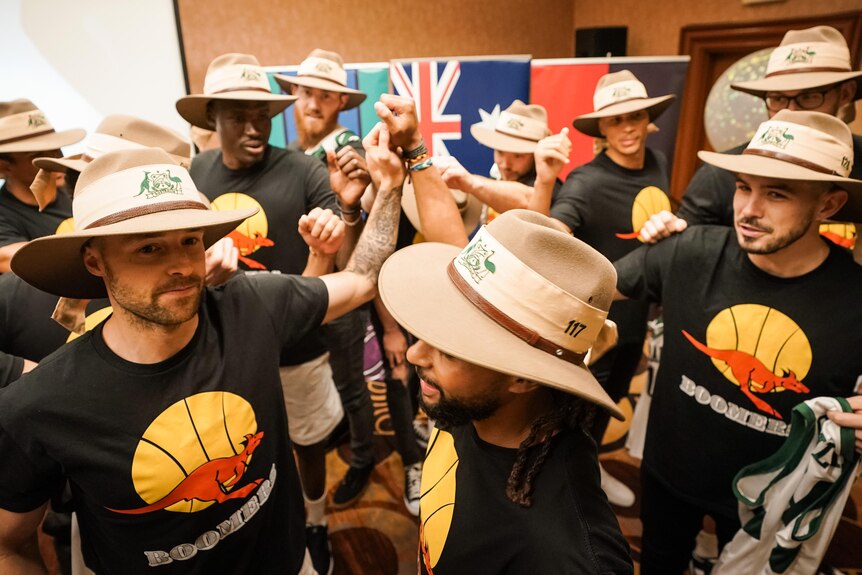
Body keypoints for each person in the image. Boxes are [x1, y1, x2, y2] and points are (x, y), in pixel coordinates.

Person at [0, 134, 405, 573]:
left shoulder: (251, 304)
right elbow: (9, 546)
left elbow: (363, 278)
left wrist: (390, 185)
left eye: (190, 241)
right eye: (149, 247)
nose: (182, 265)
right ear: (96, 261)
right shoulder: (40, 403)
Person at [613, 110, 862, 574]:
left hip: (770, 499)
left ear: (827, 206)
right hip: (670, 473)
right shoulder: (690, 249)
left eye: (777, 194)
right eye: (744, 187)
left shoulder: (855, 297)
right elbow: (595, 284)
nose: (748, 210)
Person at [376, 204, 633, 574]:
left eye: (449, 350)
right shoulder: (468, 404)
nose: (416, 354)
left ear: (523, 377)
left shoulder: (565, 553)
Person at [177, 52, 359, 574]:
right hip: (219, 350)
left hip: (298, 350)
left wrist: (333, 232)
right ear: (212, 117)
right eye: (239, 116)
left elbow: (337, 271)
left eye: (264, 115)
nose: (256, 128)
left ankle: (317, 520)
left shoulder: (304, 170)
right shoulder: (194, 174)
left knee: (309, 442)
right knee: (237, 451)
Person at [531, 69, 676, 507]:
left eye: (635, 116)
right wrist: (543, 180)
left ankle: (585, 472)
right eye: (616, 120)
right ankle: (563, 492)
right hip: (595, 327)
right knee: (577, 414)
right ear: (603, 128)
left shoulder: (658, 162)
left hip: (639, 318)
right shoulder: (586, 182)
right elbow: (546, 238)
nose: (628, 127)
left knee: (609, 405)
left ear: (648, 118)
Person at [275, 49, 380, 513]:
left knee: (352, 384)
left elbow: (371, 210)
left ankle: (363, 459)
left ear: (341, 103)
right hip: (301, 287)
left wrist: (366, 195)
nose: (314, 103)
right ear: (294, 96)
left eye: (325, 96)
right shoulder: (292, 156)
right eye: (306, 92)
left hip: (337, 294)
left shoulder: (346, 149)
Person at [678, 26, 862, 230]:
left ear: (845, 94)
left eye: (809, 97)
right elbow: (688, 248)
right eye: (778, 98)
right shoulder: (720, 175)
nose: (790, 111)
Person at [436, 100, 568, 218]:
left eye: (518, 155)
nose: (505, 164)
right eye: (500, 152)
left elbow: (526, 200)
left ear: (535, 156)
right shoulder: (496, 176)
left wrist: (470, 182)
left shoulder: (550, 188)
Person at [0, 99, 84, 271]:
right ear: (4, 166)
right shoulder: (3, 214)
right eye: (38, 155)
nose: (55, 160)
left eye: (56, 150)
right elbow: (15, 260)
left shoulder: (80, 185)